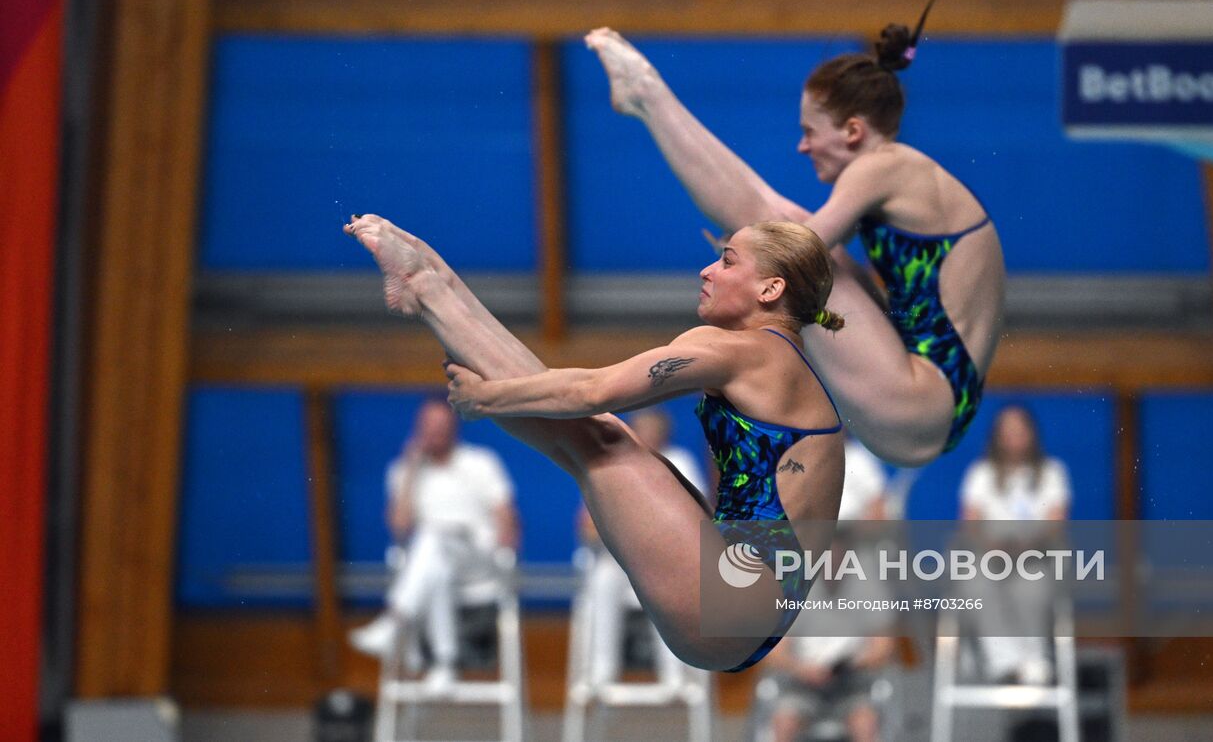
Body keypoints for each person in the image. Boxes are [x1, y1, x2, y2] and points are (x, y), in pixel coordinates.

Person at [344, 213, 845, 672]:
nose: (707, 271)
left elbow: (590, 391)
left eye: (727, 261)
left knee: (600, 440)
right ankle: (434, 286)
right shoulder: (782, 362)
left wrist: (487, 399)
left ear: (770, 288)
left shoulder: (750, 352)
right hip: (749, 613)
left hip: (732, 603)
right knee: (590, 443)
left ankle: (431, 287)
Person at [585, 0, 1006, 467]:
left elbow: (798, 247)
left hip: (918, 400)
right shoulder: (909, 174)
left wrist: (742, 259)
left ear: (852, 130)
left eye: (810, 131)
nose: (802, 146)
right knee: (781, 228)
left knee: (775, 226)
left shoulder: (883, 166)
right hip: (930, 403)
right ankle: (647, 98)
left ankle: (647, 94)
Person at [349, 398, 519, 690]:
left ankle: (395, 620)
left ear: (454, 427)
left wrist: (504, 544)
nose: (435, 433)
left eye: (441, 426)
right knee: (434, 555)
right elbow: (400, 528)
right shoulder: (402, 471)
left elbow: (508, 520)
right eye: (428, 427)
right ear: (417, 429)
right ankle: (444, 663)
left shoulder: (480, 462)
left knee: (433, 540)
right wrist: (412, 469)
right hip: (434, 565)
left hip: (478, 560)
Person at [763, 437, 895, 742]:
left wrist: (849, 666)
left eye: (840, 542)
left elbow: (883, 646)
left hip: (852, 685)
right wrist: (803, 669)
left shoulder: (869, 585)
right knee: (783, 722)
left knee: (865, 724)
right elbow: (774, 653)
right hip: (801, 683)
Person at [578, 408, 709, 687]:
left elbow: (699, 522)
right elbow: (588, 529)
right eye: (641, 429)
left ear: (664, 434)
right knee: (602, 580)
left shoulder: (681, 463)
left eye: (653, 430)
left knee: (671, 582)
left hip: (670, 564)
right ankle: (602, 672)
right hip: (621, 565)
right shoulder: (607, 464)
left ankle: (675, 674)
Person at [958, 404, 1070, 685]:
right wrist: (993, 547)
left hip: (1036, 556)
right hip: (989, 558)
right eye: (1007, 432)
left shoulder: (1052, 473)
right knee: (976, 584)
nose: (1014, 438)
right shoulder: (980, 474)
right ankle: (1004, 663)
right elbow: (970, 524)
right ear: (996, 436)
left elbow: (1056, 522)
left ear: (1032, 434)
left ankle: (1034, 659)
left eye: (1019, 431)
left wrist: (1026, 546)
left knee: (1031, 587)